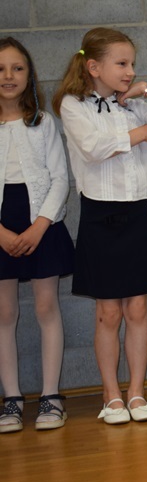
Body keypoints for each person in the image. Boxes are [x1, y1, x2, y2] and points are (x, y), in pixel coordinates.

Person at [53, 28, 147, 424]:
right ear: (94, 67)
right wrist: (141, 134)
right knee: (108, 313)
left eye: (132, 64)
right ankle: (110, 393)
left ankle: (136, 392)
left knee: (137, 307)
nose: (129, 71)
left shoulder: (132, 102)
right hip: (100, 216)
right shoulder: (72, 105)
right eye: (122, 64)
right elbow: (94, 148)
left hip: (137, 214)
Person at [0, 38, 75, 433]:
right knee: (4, 313)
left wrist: (40, 225)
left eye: (17, 68)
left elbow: (60, 178)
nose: (8, 76)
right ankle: (11, 398)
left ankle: (51, 395)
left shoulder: (42, 122)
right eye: (0, 69)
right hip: (1, 229)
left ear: (29, 75)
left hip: (41, 224)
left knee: (46, 307)